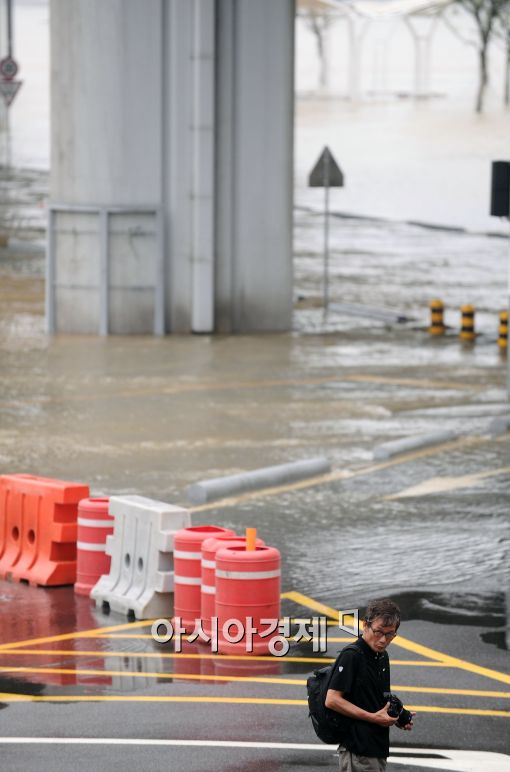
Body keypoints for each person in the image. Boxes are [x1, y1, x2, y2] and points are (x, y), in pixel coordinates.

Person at [325, 598, 415, 772]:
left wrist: (398, 716)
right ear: (365, 625)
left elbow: (376, 696)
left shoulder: (382, 656)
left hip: (377, 748)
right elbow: (332, 700)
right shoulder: (352, 656)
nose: (383, 640)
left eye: (389, 635)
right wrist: (373, 718)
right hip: (358, 750)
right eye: (378, 632)